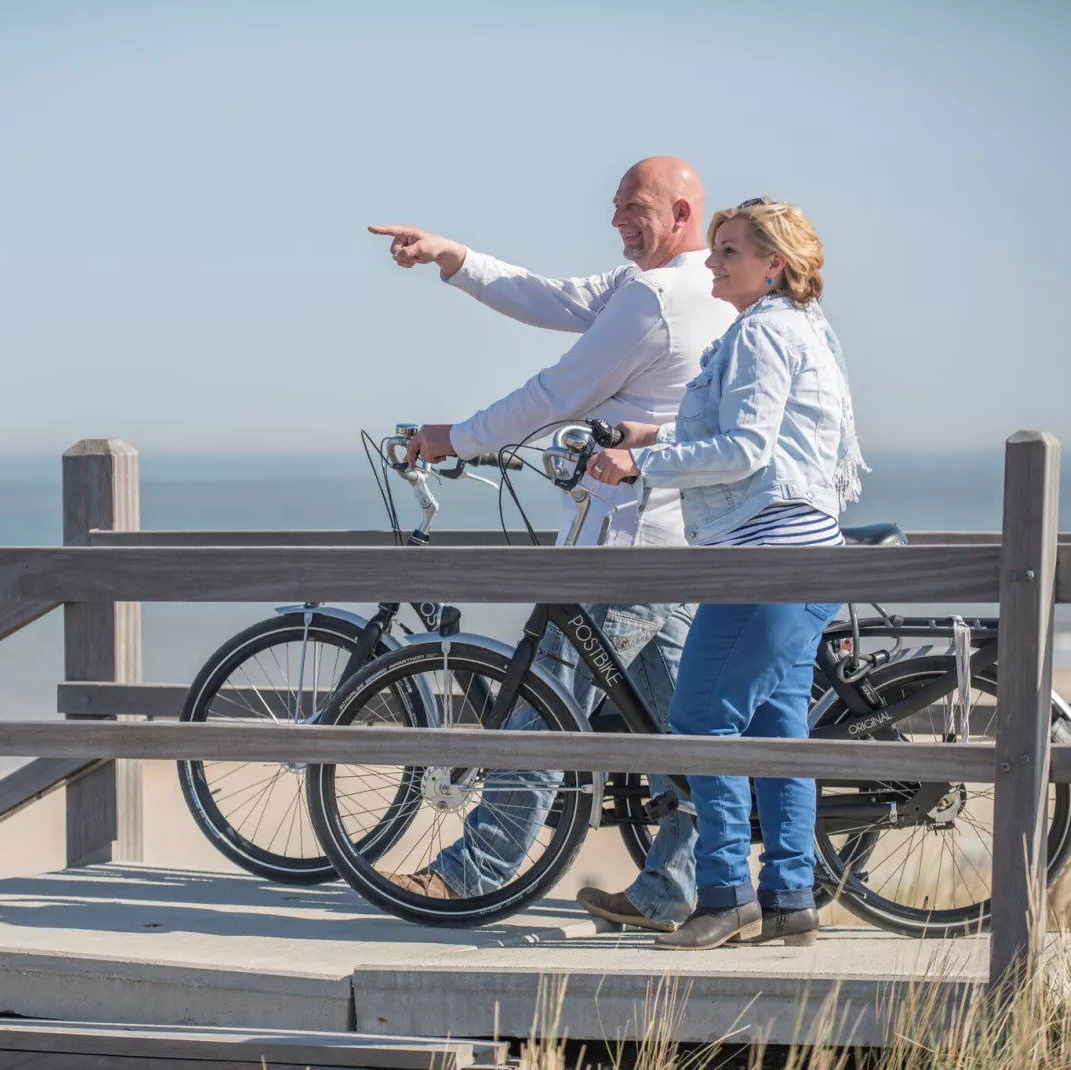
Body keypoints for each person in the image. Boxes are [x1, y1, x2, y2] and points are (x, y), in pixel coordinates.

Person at [367, 157, 734, 930]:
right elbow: (555, 296)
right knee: (684, 733)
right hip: (675, 544)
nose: (616, 220)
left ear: (682, 210)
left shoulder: (657, 298)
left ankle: (475, 874)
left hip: (630, 550)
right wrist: (454, 257)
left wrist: (453, 438)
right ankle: (677, 891)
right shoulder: (691, 288)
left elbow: (555, 393)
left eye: (633, 207)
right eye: (615, 206)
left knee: (545, 706)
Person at [590, 196, 867, 949]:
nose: (711, 263)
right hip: (805, 556)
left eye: (730, 253)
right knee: (777, 732)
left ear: (773, 263)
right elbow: (752, 431)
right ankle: (788, 898)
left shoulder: (760, 335)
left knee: (700, 723)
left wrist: (638, 463)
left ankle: (724, 896)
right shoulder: (802, 329)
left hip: (764, 560)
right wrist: (655, 431)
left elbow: (743, 451)